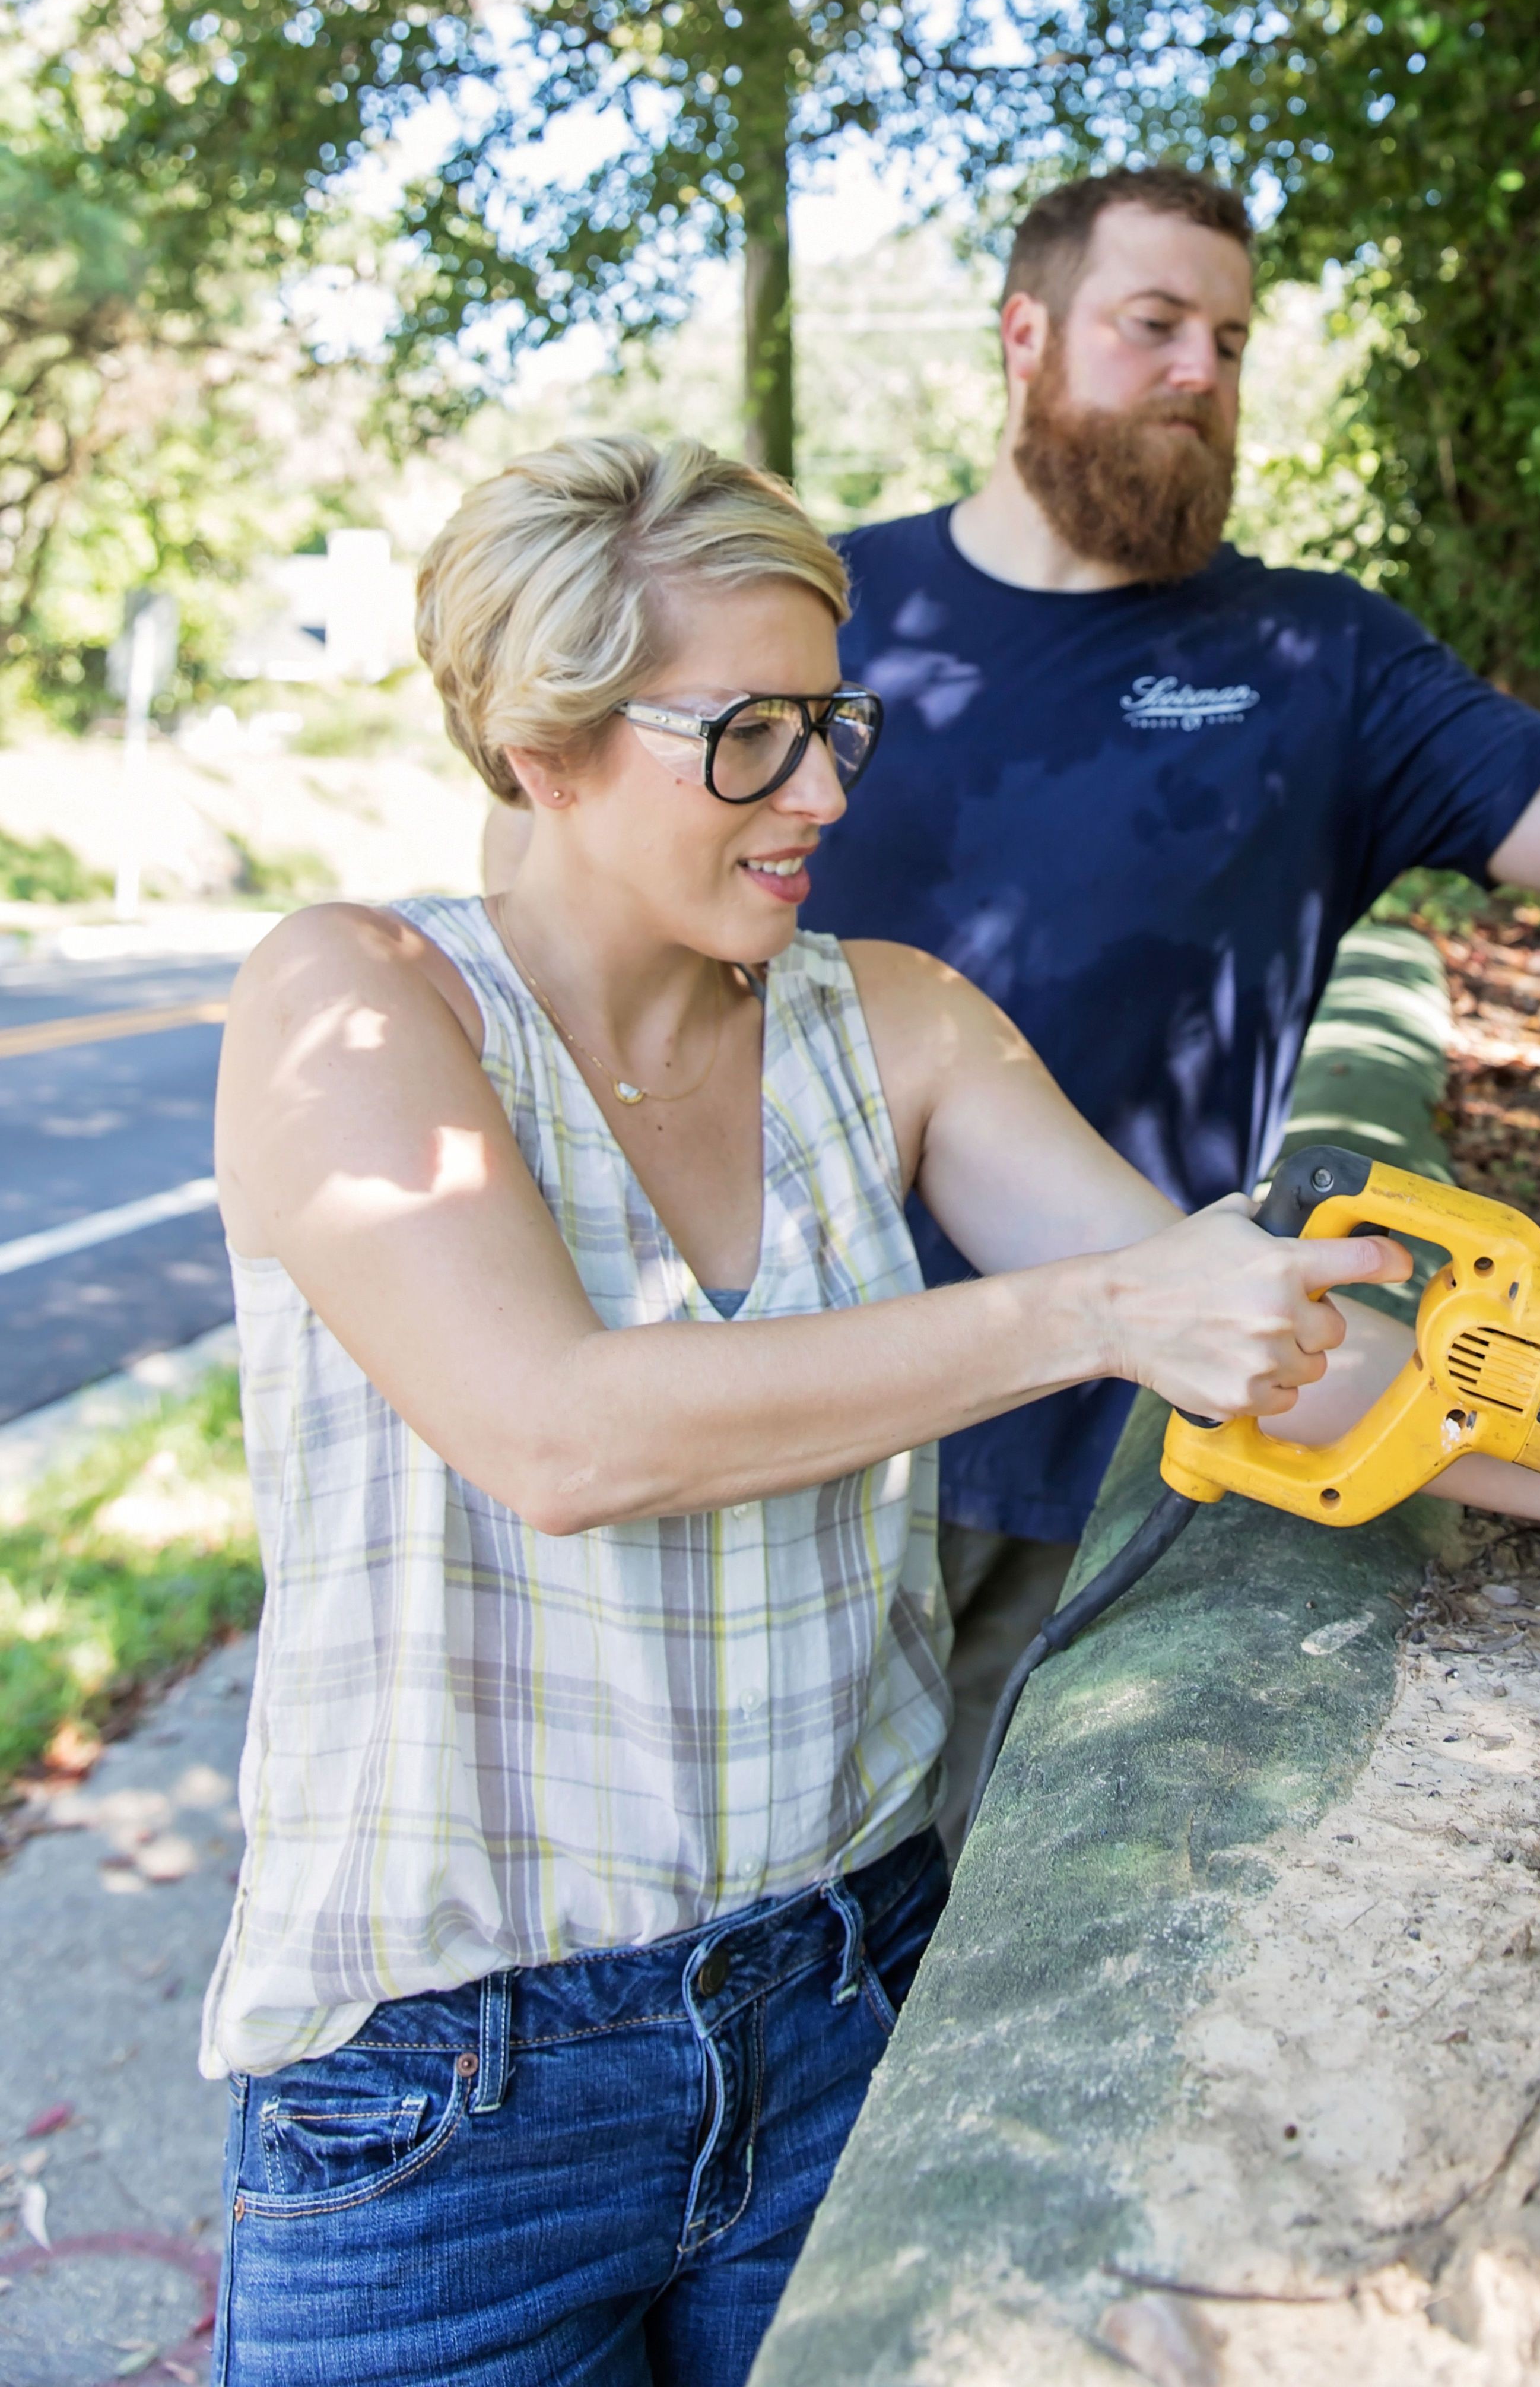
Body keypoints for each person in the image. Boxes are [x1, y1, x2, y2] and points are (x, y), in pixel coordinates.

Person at [205, 432, 1475, 2385]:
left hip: (843, 2004)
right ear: (543, 749)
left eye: (834, 728)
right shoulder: (358, 1009)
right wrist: (1102, 1314)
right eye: (749, 739)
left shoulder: (891, 1022)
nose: (818, 795)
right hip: (448, 2118)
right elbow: (563, 1434)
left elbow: (1278, 1340)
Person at [799, 165, 1540, 1810]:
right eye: (1154, 327)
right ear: (1025, 334)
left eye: (1230, 338)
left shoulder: (1310, 656)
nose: (1201, 373)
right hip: (797, 1433)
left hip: (1147, 1435)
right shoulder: (828, 626)